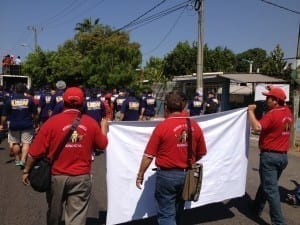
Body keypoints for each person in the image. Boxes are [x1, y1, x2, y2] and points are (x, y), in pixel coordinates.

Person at [21, 87, 109, 225]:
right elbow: (102, 145)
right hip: (81, 177)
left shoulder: (51, 122)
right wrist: (103, 127)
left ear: (63, 102)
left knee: (54, 213)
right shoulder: (91, 123)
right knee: (76, 216)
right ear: (83, 103)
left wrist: (26, 170)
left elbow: (34, 152)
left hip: (56, 176)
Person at [136, 91, 207, 225]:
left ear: (166, 108)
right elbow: (201, 152)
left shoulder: (162, 127)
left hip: (166, 176)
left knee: (166, 216)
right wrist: (189, 160)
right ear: (183, 107)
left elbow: (148, 155)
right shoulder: (194, 126)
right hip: (187, 175)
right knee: (178, 210)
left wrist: (140, 174)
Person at [248, 87, 292, 225]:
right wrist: (273, 89)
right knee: (268, 184)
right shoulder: (287, 111)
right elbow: (284, 100)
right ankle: (256, 208)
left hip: (270, 157)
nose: (266, 100)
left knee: (271, 190)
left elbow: (256, 127)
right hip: (282, 157)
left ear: (276, 101)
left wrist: (250, 112)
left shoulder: (272, 115)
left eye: (269, 98)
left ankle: (278, 222)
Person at [0, 83, 37, 167]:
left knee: (15, 143)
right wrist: (36, 123)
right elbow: (35, 114)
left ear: (15, 90)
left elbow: (4, 116)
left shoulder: (10, 100)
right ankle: (23, 160)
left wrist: (2, 124)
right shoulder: (30, 100)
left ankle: (17, 159)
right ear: (24, 90)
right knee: (26, 143)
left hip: (14, 125)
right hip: (27, 124)